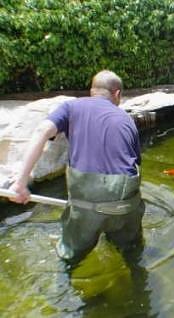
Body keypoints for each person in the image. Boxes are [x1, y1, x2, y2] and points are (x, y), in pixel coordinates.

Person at [9, 70, 144, 266]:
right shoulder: (126, 120)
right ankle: (137, 282)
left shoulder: (71, 107)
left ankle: (66, 282)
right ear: (117, 94)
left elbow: (42, 131)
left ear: (92, 91)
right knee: (131, 252)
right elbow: (135, 164)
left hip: (86, 206)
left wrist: (21, 182)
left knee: (70, 257)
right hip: (126, 203)